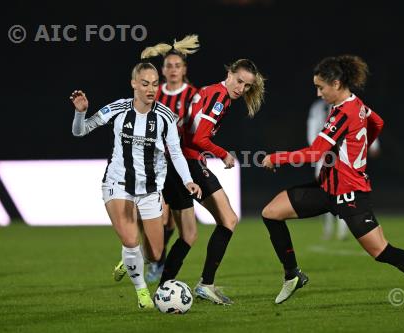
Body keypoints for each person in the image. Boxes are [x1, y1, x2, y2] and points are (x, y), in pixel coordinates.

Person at [261, 55, 404, 310]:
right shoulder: (356, 105)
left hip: (350, 193)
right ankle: (292, 275)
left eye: (321, 87)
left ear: (337, 83)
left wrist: (278, 158)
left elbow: (315, 152)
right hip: (326, 188)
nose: (318, 93)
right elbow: (377, 123)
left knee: (382, 252)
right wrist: (358, 152)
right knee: (271, 213)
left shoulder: (343, 112)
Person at [70, 60, 201, 310]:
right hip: (118, 184)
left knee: (154, 254)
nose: (151, 89)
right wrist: (80, 112)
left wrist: (188, 181)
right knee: (130, 239)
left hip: (150, 190)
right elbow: (80, 131)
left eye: (154, 84)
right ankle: (142, 293)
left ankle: (130, 261)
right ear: (134, 84)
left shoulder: (164, 116)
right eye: (145, 84)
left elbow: (175, 152)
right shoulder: (118, 109)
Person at [159, 58, 265, 305]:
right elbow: (199, 137)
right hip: (188, 162)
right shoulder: (219, 97)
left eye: (247, 86)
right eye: (239, 81)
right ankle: (205, 284)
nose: (241, 89)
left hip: (176, 164)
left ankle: (164, 287)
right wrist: (223, 154)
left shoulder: (210, 91)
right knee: (228, 220)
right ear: (229, 73)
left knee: (188, 234)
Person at [112, 35, 200, 284]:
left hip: (180, 163)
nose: (173, 70)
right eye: (169, 66)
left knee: (169, 220)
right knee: (159, 217)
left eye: (177, 66)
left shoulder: (193, 96)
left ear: (184, 69)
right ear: (162, 70)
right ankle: (148, 259)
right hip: (155, 165)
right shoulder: (152, 92)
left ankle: (147, 259)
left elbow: (198, 129)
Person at [307, 99, 381, 240]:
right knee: (325, 193)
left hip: (346, 156)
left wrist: (374, 145)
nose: (320, 93)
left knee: (344, 194)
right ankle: (328, 229)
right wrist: (317, 150)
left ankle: (343, 231)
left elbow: (363, 124)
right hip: (324, 155)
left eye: (321, 87)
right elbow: (312, 130)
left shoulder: (352, 105)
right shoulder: (318, 108)